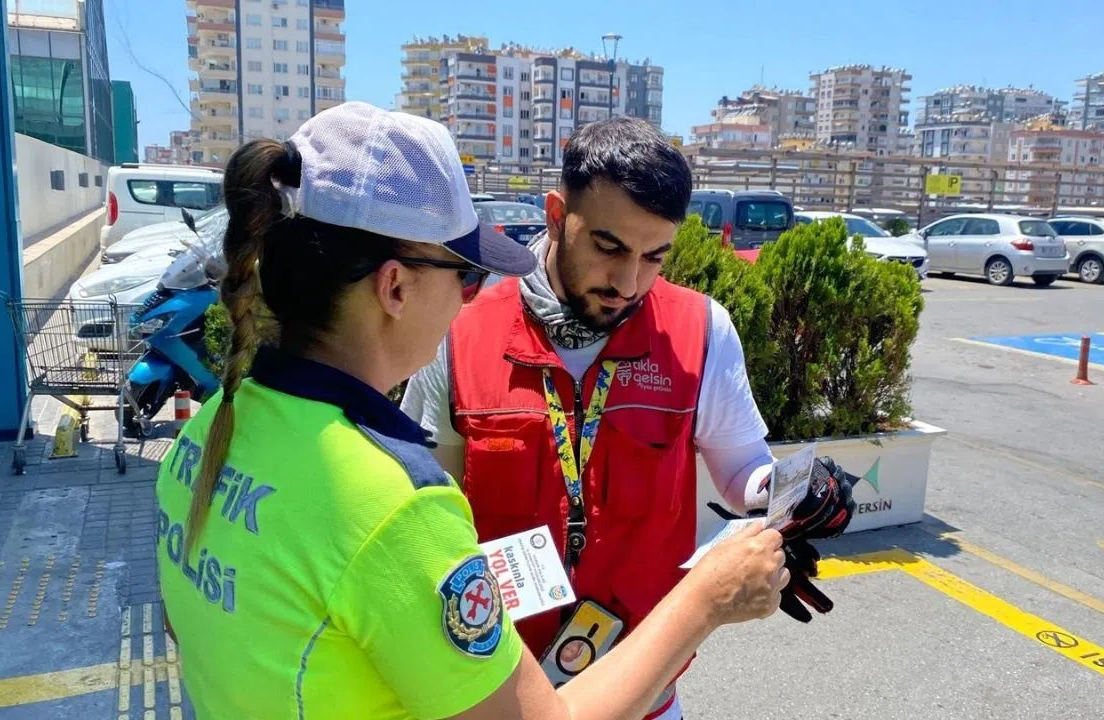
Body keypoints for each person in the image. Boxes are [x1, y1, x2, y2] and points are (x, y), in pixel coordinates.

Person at [154, 102, 791, 720]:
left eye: (654, 257)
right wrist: (706, 599)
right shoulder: (396, 506)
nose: (472, 300)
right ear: (395, 287)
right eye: (463, 276)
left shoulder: (210, 431)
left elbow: (197, 632)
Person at [401, 117, 856, 719]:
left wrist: (789, 491)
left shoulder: (701, 329)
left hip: (647, 685)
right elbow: (428, 509)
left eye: (654, 257)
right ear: (558, 214)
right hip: (496, 691)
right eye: (608, 248)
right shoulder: (461, 328)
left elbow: (741, 467)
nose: (628, 282)